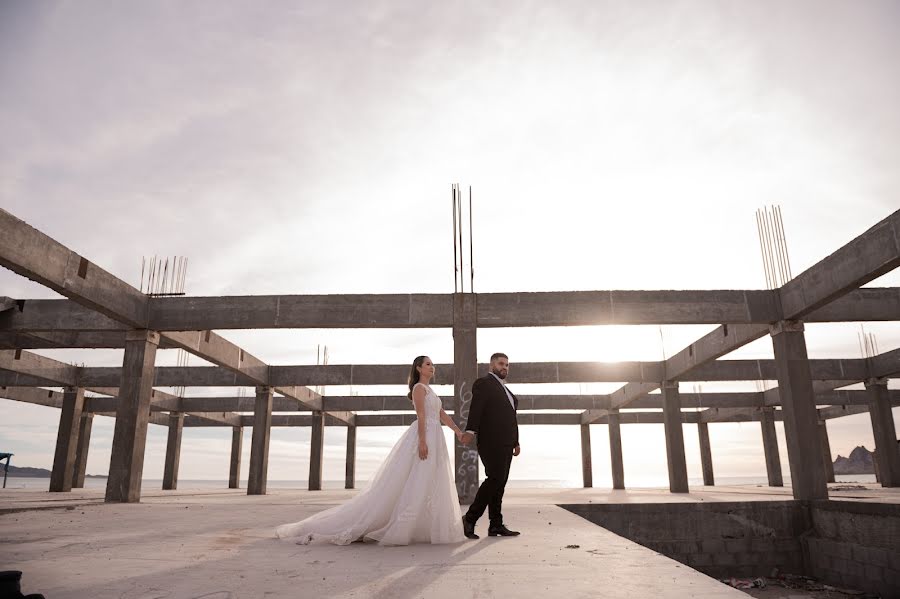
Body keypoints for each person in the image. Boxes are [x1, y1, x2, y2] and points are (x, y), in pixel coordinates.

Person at [276, 356, 467, 546]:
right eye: (428, 364)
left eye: (432, 364)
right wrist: (423, 441)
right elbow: (421, 415)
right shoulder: (419, 389)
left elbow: (442, 415)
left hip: (436, 436)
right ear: (418, 368)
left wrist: (458, 432)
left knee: (430, 478)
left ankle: (420, 524)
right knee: (416, 478)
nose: (432, 367)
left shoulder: (432, 391)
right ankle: (388, 525)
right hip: (425, 435)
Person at [461, 352, 521, 539]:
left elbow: (511, 419)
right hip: (490, 441)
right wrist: (470, 430)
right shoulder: (484, 383)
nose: (505, 367)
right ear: (491, 365)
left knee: (500, 483)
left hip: (506, 443)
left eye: (507, 365)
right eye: (501, 364)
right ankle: (470, 518)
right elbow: (476, 407)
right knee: (494, 479)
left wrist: (516, 441)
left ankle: (496, 524)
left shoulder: (507, 392)